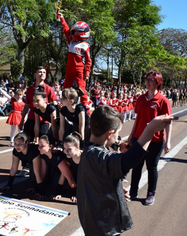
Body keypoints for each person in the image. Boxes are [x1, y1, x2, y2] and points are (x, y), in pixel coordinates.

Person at [77, 105, 176, 236]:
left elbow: (98, 180)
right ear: (109, 133)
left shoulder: (88, 152)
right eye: (117, 133)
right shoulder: (97, 155)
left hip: (96, 222)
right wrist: (149, 131)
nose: (118, 137)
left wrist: (113, 189)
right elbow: (128, 160)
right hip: (103, 226)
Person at [128, 71, 172, 206]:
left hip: (156, 140)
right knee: (136, 165)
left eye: (151, 80)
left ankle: (150, 194)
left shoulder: (163, 100)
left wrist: (168, 141)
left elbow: (168, 121)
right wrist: (131, 135)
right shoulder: (141, 99)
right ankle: (133, 191)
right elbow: (137, 119)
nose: (148, 82)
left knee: (151, 167)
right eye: (147, 80)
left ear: (158, 82)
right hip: (139, 138)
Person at [0, 132, 47, 200]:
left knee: (39, 176)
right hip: (31, 164)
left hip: (45, 163)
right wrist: (9, 184)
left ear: (26, 143)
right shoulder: (16, 151)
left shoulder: (33, 152)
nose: (17, 146)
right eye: (15, 144)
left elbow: (37, 173)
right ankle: (36, 185)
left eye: (20, 144)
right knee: (33, 178)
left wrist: (41, 192)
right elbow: (14, 167)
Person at [58, 12, 91, 106]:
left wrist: (87, 72)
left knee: (81, 87)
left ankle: (85, 106)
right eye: (74, 31)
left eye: (76, 31)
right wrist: (62, 18)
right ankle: (63, 104)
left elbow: (88, 61)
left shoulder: (85, 45)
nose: (74, 33)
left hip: (79, 70)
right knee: (65, 87)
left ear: (82, 32)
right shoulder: (71, 41)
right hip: (69, 69)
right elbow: (66, 30)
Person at [19, 66, 57, 142]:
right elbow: (27, 105)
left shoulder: (49, 89)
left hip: (44, 121)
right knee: (26, 141)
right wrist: (22, 119)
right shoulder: (30, 89)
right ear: (35, 74)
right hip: (31, 119)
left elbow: (54, 103)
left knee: (42, 143)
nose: (42, 74)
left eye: (44, 72)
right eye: (40, 72)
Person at [38, 135, 76, 199]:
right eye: (39, 146)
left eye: (42, 146)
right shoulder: (44, 156)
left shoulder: (57, 157)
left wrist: (75, 194)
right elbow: (43, 173)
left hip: (71, 177)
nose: (39, 148)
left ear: (50, 146)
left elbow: (68, 176)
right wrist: (40, 191)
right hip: (60, 175)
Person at [62, 131, 82, 202]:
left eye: (69, 149)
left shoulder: (85, 159)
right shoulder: (68, 157)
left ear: (77, 148)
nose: (66, 151)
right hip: (75, 184)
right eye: (64, 149)